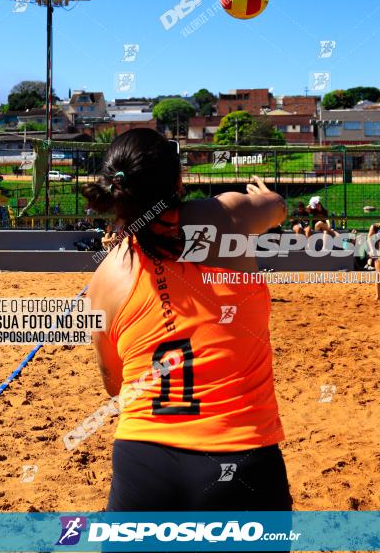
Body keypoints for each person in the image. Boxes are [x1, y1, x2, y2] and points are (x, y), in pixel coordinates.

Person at [84, 129, 292, 524]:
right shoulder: (227, 217)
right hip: (241, 456)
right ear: (178, 182)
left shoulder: (105, 278)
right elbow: (276, 207)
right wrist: (267, 195)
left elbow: (115, 385)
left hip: (144, 462)